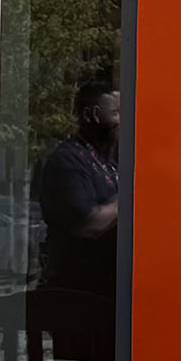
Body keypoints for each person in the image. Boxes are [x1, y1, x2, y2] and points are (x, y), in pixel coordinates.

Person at [36, 78, 121, 299]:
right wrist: (129, 199)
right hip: (78, 294)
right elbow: (86, 226)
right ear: (92, 115)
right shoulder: (67, 162)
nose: (124, 120)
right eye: (116, 113)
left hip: (109, 290)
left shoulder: (111, 164)